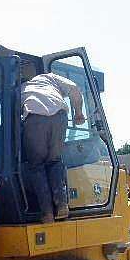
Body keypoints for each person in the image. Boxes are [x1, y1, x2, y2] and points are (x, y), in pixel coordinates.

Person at [21, 72, 85, 223]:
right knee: (54, 160)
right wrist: (79, 114)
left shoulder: (20, 89)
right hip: (60, 115)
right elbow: (75, 88)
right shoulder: (49, 78)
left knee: (36, 165)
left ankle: (47, 213)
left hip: (35, 117)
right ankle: (62, 205)